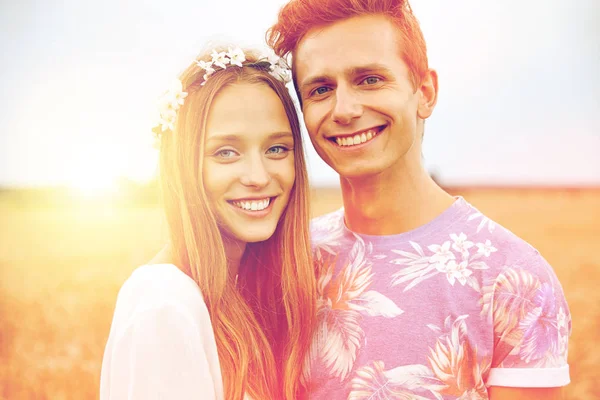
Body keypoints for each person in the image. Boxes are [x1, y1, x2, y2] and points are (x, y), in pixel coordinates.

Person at [267, 1, 571, 399]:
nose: (345, 109)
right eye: (321, 89)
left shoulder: (515, 280)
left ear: (425, 93)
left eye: (370, 79)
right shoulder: (287, 263)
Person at [100, 47, 316, 400]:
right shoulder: (164, 306)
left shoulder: (241, 291)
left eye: (276, 148)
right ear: (182, 164)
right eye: (225, 153)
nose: (258, 176)